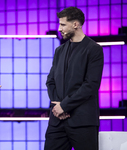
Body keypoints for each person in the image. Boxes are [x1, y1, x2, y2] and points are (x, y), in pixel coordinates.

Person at [44, 7, 104, 150]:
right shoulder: (59, 51)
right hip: (57, 121)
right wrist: (57, 107)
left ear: (75, 24)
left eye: (63, 24)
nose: (59, 28)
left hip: (82, 121)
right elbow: (50, 81)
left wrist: (64, 106)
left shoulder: (93, 49)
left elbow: (90, 85)